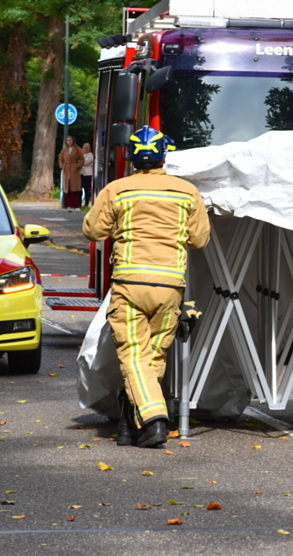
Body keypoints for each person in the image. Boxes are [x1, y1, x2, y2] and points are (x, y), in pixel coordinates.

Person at [82, 125, 211, 448]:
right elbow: (200, 238)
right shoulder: (187, 191)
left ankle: (155, 420)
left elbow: (93, 231)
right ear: (164, 155)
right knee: (153, 358)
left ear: (131, 156)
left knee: (133, 356)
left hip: (129, 283)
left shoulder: (117, 189)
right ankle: (128, 426)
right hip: (170, 286)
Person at [59, 136, 84, 211]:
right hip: (66, 169)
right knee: (67, 187)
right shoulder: (64, 150)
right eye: (68, 140)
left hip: (74, 170)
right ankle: (69, 205)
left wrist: (77, 166)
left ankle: (76, 205)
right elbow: (60, 158)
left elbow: (82, 159)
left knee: (74, 187)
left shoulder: (77, 149)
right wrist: (62, 166)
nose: (69, 142)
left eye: (70, 140)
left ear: (73, 141)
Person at [80, 142, 94, 208]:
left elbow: (85, 162)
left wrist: (79, 162)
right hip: (81, 174)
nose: (85, 149)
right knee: (79, 189)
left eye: (87, 148)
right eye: (84, 148)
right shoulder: (81, 155)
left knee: (86, 189)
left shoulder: (90, 155)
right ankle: (79, 202)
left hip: (88, 174)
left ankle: (86, 203)